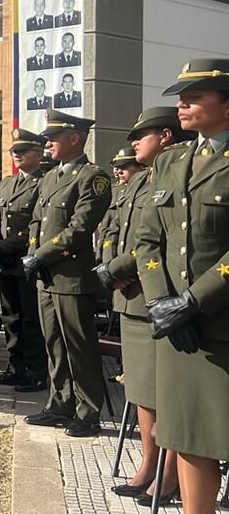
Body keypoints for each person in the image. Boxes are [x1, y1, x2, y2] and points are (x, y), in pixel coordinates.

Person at [133, 59, 229, 513]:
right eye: (180, 96)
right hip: (178, 326)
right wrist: (162, 304)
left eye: (195, 96)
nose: (182, 104)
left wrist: (194, 301)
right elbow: (147, 239)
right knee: (190, 436)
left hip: (220, 320)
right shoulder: (171, 161)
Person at [95, 110, 190, 504]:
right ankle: (148, 464)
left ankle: (169, 475)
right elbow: (117, 232)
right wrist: (110, 271)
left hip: (158, 294)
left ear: (165, 136)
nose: (134, 143)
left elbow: (159, 242)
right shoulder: (140, 181)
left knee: (163, 393)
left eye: (142, 135)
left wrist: (119, 269)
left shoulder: (175, 173)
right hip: (131, 299)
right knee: (142, 392)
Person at [21, 109, 110, 438]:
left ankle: (88, 413)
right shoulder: (50, 176)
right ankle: (60, 403)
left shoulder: (93, 177)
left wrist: (41, 256)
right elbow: (36, 221)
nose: (47, 143)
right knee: (54, 343)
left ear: (75, 138)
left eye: (53, 138)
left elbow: (79, 228)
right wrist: (33, 254)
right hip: (47, 276)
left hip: (72, 277)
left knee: (79, 347)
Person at [0, 129, 50, 393]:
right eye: (15, 151)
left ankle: (36, 372)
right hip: (5, 262)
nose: (17, 155)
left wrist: (9, 245)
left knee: (31, 320)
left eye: (23, 151)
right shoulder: (6, 183)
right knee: (10, 318)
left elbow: (39, 223)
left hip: (27, 260)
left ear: (38, 153)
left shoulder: (44, 182)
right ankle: (15, 368)